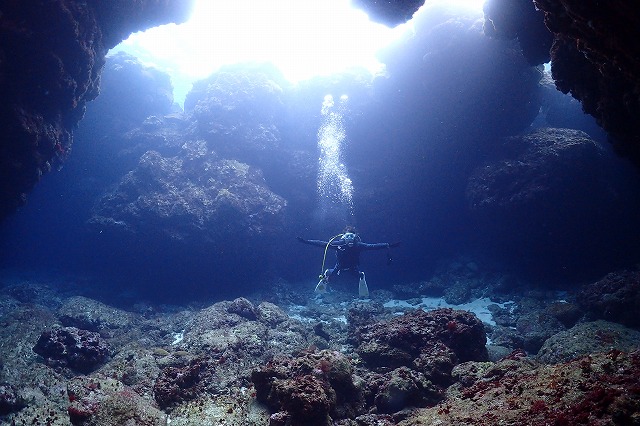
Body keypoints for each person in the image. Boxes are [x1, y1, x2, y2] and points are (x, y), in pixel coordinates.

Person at [297, 226, 400, 297]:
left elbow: (372, 246)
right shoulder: (339, 244)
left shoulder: (358, 245)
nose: (349, 238)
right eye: (347, 236)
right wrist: (306, 241)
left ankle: (361, 275)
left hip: (353, 266)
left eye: (351, 236)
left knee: (357, 275)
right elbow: (322, 244)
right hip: (340, 265)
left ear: (355, 237)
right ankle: (327, 273)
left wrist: (388, 245)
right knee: (332, 275)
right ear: (343, 237)